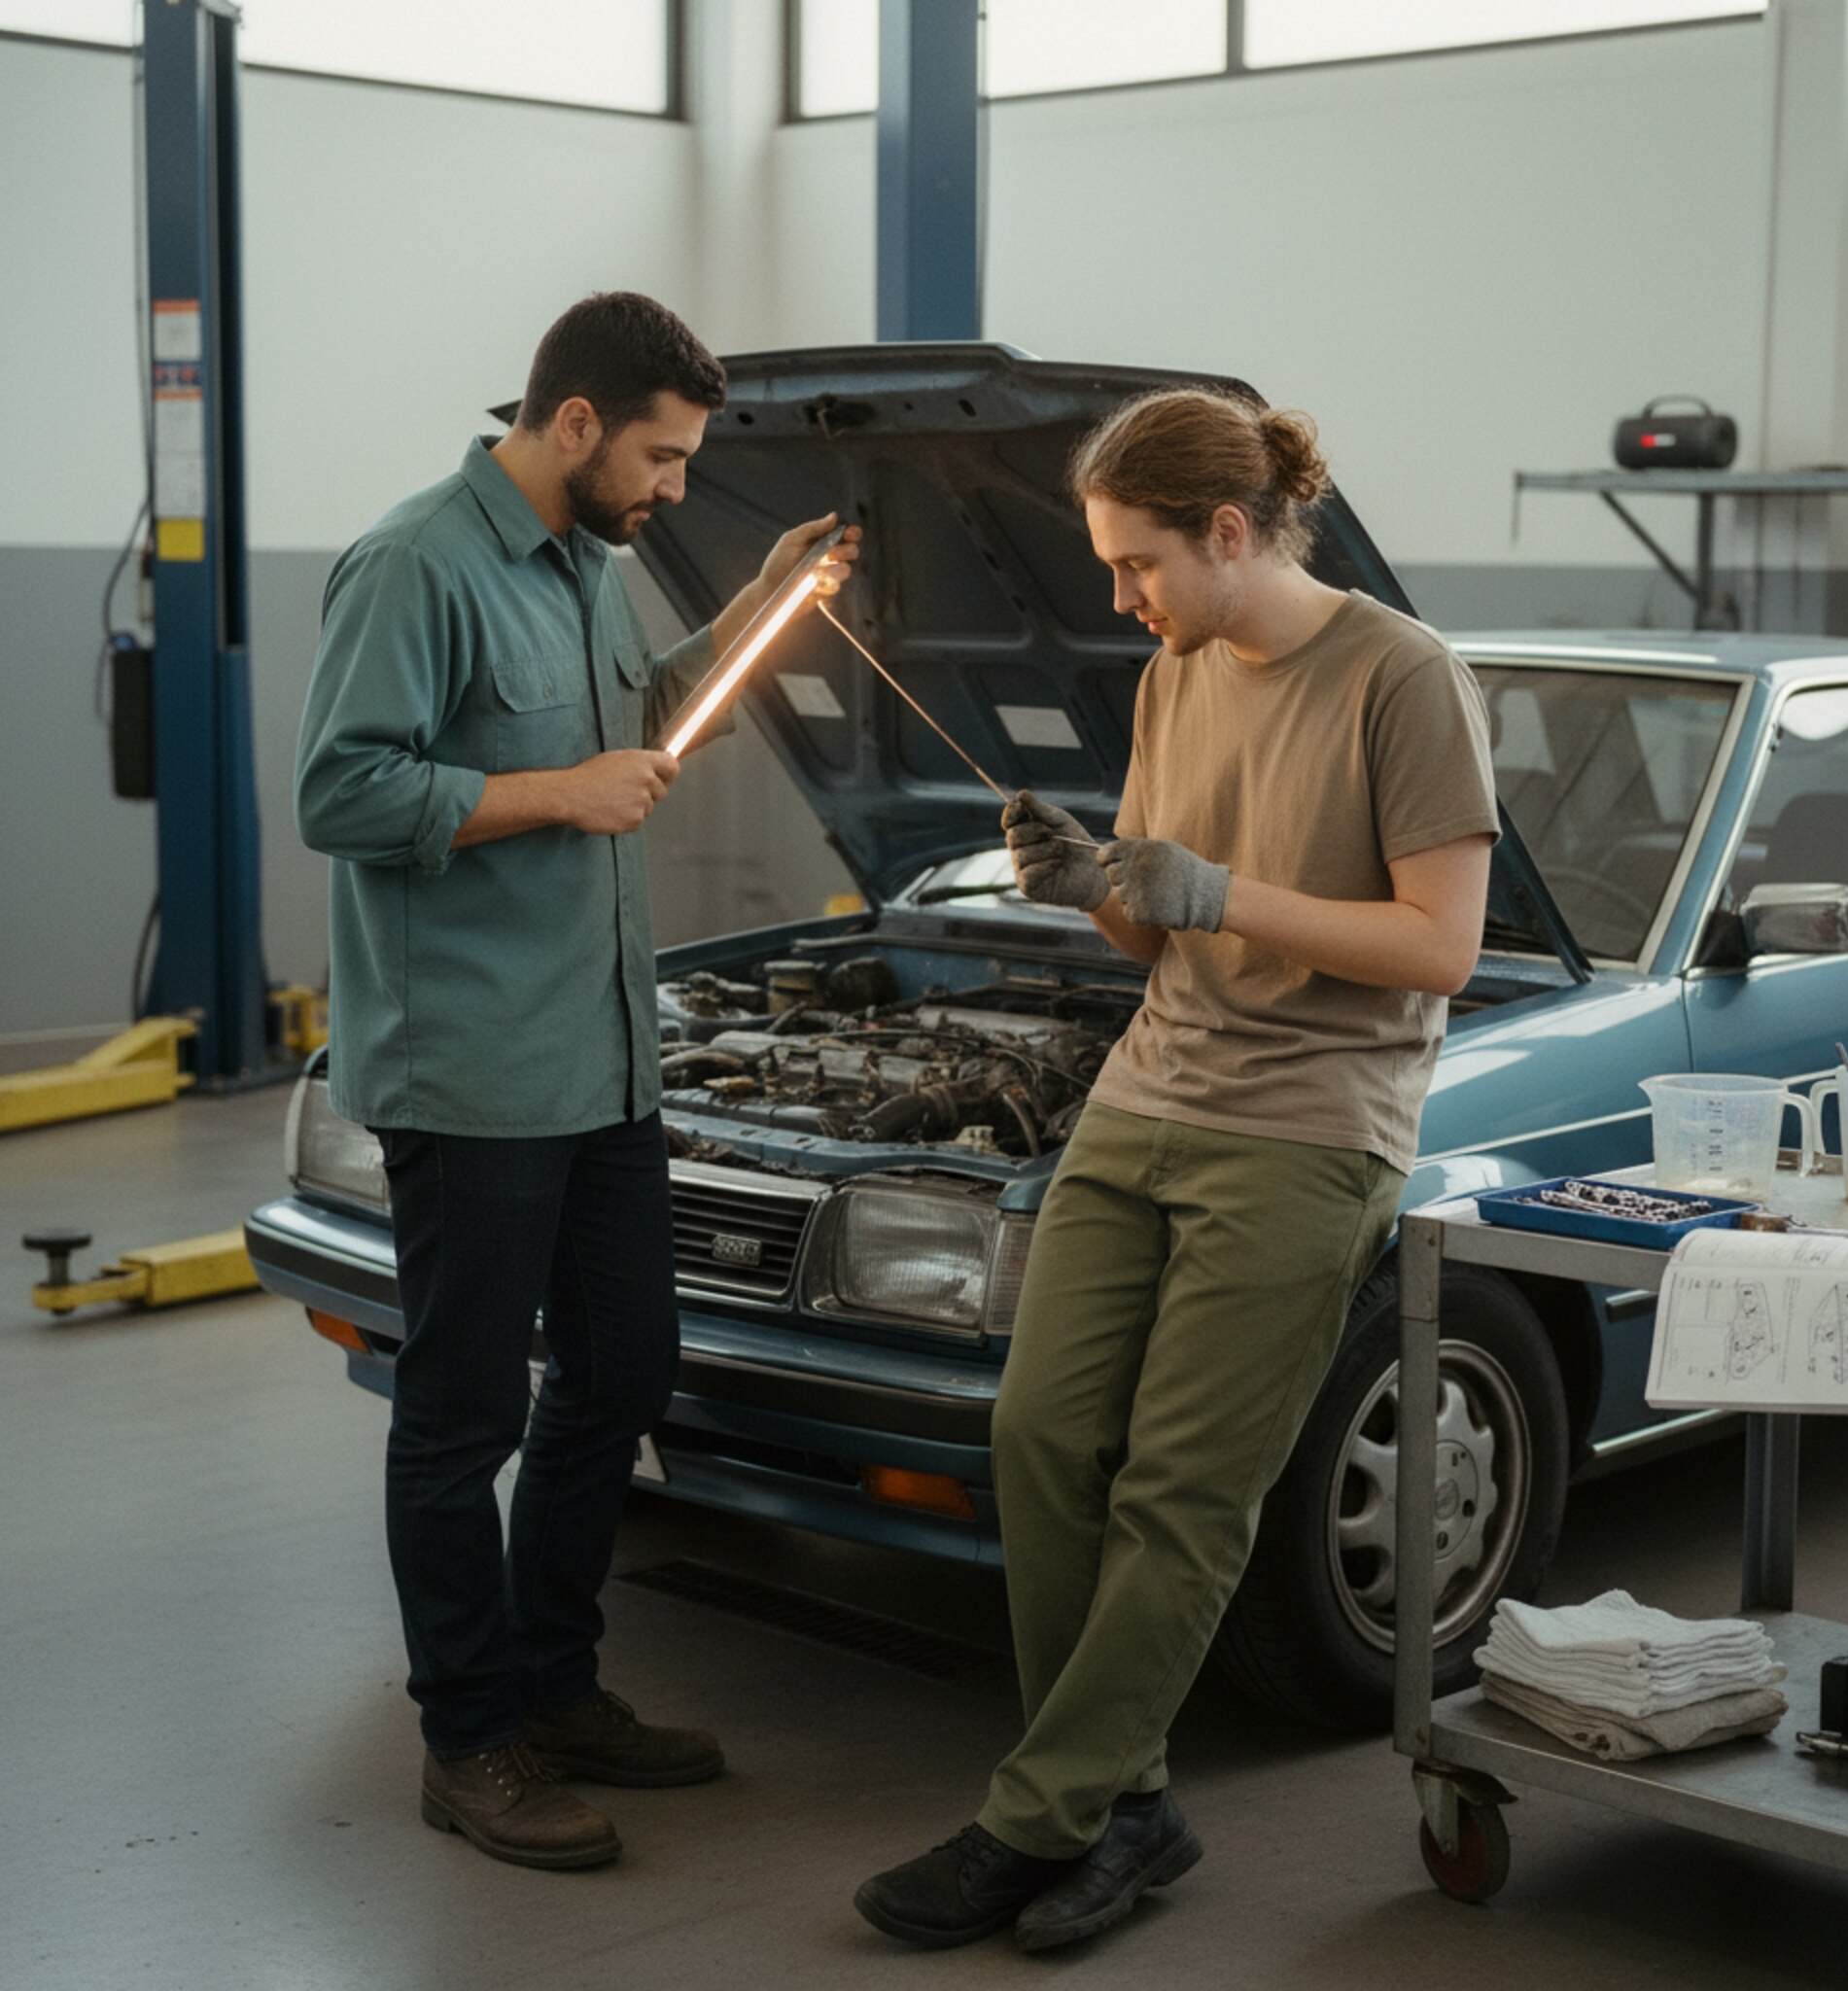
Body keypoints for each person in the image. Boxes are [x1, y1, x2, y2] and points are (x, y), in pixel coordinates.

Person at [855, 387, 1497, 1951]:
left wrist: (1219, 891)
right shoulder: (1174, 675)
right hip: (1150, 1094)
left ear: (1227, 532)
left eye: (1136, 563)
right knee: (1040, 1433)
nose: (1119, 596)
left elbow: (1441, 948)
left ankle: (1035, 1819)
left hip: (1311, 1123)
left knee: (1183, 1490)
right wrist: (1089, 880)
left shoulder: (1403, 678)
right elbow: (1155, 933)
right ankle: (1126, 1801)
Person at [295, 292, 857, 1871]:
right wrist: (554, 794)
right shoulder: (415, 563)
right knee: (462, 1413)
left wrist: (755, 608)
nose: (674, 488)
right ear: (575, 422)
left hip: (602, 1056)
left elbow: (641, 729)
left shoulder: (590, 564)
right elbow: (341, 791)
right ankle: (470, 1739)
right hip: (472, 1069)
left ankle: (556, 1684)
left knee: (622, 1371)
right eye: (663, 459)